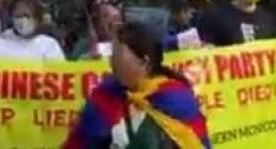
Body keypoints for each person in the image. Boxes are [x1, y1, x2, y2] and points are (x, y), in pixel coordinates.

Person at [63, 21, 209, 148]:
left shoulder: (177, 99)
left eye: (117, 56)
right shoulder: (104, 96)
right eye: (111, 55)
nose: (111, 62)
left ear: (144, 63)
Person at [0, 0, 65, 61]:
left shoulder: (49, 45)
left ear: (37, 18)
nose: (22, 20)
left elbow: (61, 73)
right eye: (18, 16)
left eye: (26, 15)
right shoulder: (0, 42)